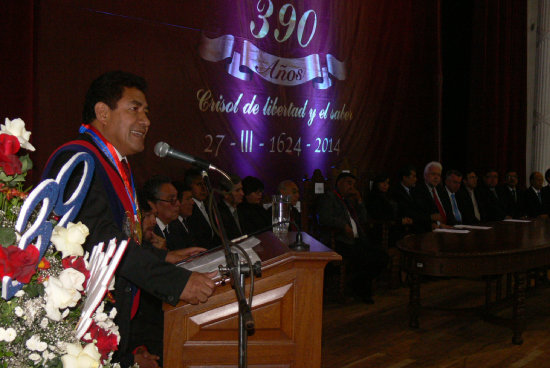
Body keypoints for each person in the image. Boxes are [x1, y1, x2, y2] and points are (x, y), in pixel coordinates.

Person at [42, 71, 216, 367]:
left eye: (146, 112)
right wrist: (177, 283)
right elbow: (102, 243)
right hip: (75, 329)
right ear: (102, 112)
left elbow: (120, 240)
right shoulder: (79, 160)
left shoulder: (114, 165)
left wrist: (165, 257)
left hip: (112, 325)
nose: (146, 121)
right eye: (134, 109)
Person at [317, 172, 389, 303]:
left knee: (382, 256)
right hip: (340, 241)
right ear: (339, 183)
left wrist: (359, 201)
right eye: (348, 183)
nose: (352, 187)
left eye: (354, 184)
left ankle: (358, 286)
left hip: (357, 240)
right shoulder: (329, 197)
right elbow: (323, 218)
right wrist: (343, 226)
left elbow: (364, 219)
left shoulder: (348, 201)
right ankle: (361, 291)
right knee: (366, 257)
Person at [185, 168, 220, 249]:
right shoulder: (189, 209)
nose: (204, 188)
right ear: (190, 187)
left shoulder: (208, 205)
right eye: (199, 184)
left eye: (205, 184)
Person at [143, 175, 181, 250]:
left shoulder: (176, 225)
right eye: (172, 200)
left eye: (177, 198)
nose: (178, 204)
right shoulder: (148, 232)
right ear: (153, 203)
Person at [166, 181, 200, 250]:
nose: (192, 202)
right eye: (188, 199)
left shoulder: (188, 221)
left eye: (192, 198)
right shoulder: (172, 226)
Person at [412, 161, 446, 229]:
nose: (436, 177)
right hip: (429, 228)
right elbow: (418, 215)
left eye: (438, 175)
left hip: (446, 227)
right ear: (425, 175)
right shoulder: (418, 191)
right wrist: (437, 224)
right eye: (433, 174)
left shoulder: (441, 190)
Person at [218, 175, 245, 240]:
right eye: (237, 190)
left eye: (242, 189)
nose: (242, 193)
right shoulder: (219, 213)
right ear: (225, 194)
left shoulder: (243, 208)